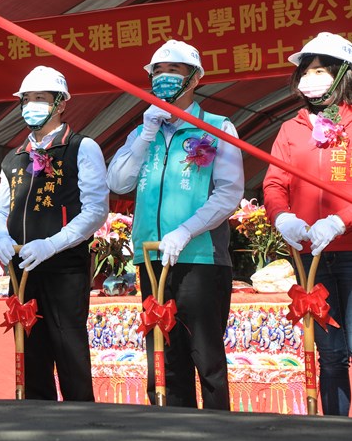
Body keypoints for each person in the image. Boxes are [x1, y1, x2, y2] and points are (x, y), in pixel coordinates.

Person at [107, 40, 243, 410]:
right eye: (158, 72)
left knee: (206, 358)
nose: (164, 78)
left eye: (174, 72)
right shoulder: (142, 132)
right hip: (150, 257)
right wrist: (146, 134)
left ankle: (220, 438)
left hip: (200, 257)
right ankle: (169, 436)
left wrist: (186, 230)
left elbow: (229, 193)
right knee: (163, 358)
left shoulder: (217, 127)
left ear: (196, 78)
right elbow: (117, 182)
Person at [0, 66, 108, 402]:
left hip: (65, 266)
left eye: (40, 99)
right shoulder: (13, 158)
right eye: (26, 100)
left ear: (60, 104)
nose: (31, 105)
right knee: (31, 351)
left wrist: (53, 244)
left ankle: (82, 424)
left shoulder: (81, 147)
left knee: (68, 347)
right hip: (22, 268)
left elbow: (96, 209)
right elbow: (0, 209)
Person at [263, 32, 352, 416]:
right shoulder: (290, 129)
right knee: (331, 354)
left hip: (350, 251)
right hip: (311, 260)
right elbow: (273, 182)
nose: (312, 77)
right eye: (307, 70)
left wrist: (340, 220)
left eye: (322, 70)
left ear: (342, 75)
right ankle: (335, 435)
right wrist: (282, 217)